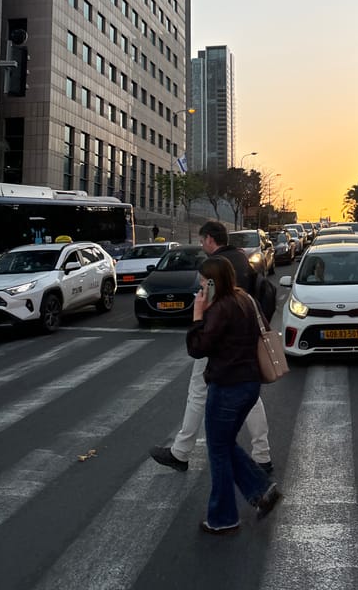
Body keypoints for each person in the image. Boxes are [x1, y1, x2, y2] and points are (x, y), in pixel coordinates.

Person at [149, 221, 273, 473]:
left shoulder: (217, 268)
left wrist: (199, 320)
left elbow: (213, 310)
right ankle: (262, 454)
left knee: (197, 393)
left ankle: (181, 453)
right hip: (243, 341)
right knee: (251, 398)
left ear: (209, 240)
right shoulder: (241, 259)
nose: (202, 245)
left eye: (202, 240)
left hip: (219, 343)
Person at [187, 256, 282, 534]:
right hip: (250, 385)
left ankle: (223, 517)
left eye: (203, 283)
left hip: (227, 387)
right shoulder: (244, 300)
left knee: (217, 450)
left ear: (214, 283)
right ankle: (262, 490)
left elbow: (198, 347)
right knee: (225, 444)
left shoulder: (221, 309)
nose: (200, 288)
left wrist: (197, 315)